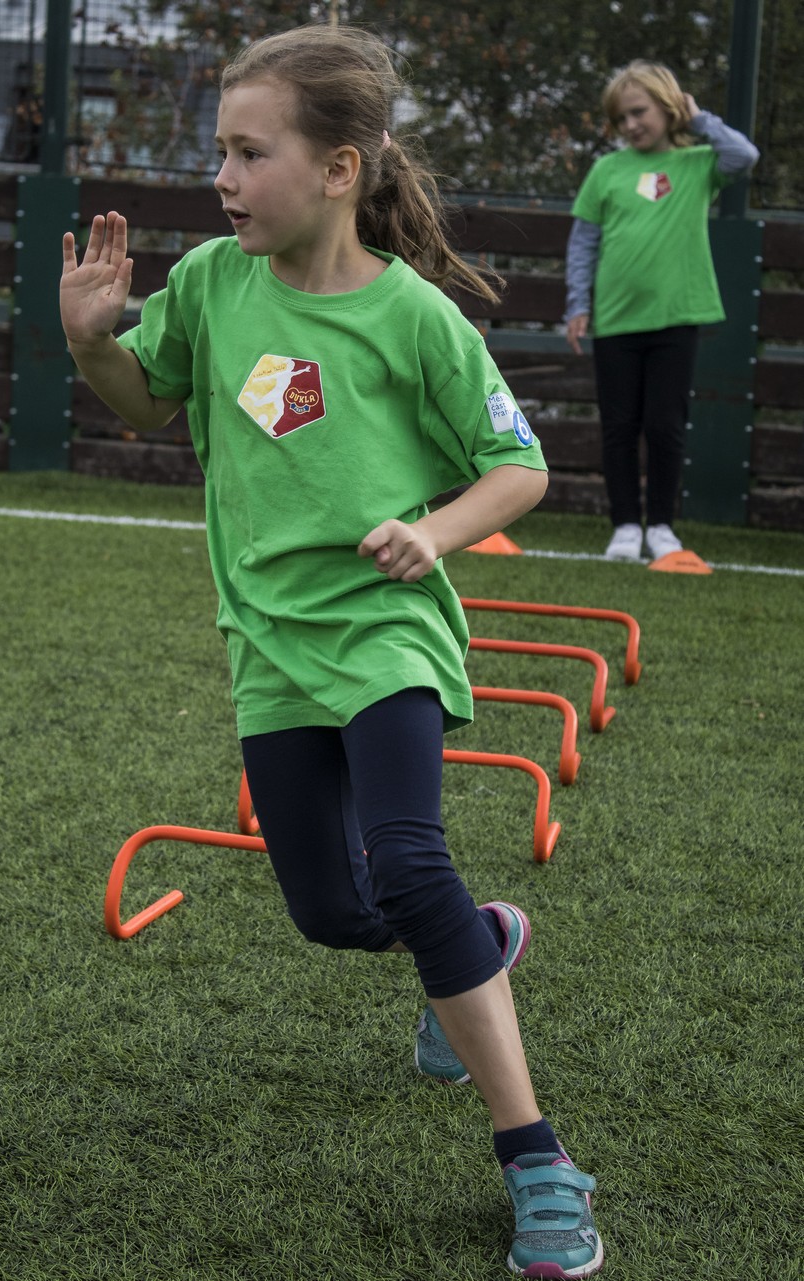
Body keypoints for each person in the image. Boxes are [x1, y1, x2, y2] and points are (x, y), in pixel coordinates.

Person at [60, 24, 602, 1279]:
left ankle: (537, 1161)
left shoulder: (413, 317)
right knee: (332, 914)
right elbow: (147, 400)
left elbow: (517, 465)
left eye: (251, 154)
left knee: (408, 863)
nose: (224, 178)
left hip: (384, 631)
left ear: (341, 169)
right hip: (268, 646)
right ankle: (481, 940)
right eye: (221, 153)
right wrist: (92, 342)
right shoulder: (211, 283)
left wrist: (433, 533)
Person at [565, 60, 759, 562]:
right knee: (619, 427)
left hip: (677, 319)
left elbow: (744, 155)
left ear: (669, 107)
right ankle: (626, 526)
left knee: (665, 426)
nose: (630, 124)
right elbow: (583, 243)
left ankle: (662, 528)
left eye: (639, 112)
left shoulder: (698, 164)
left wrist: (698, 119)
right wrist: (578, 303)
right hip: (615, 322)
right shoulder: (607, 171)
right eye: (620, 118)